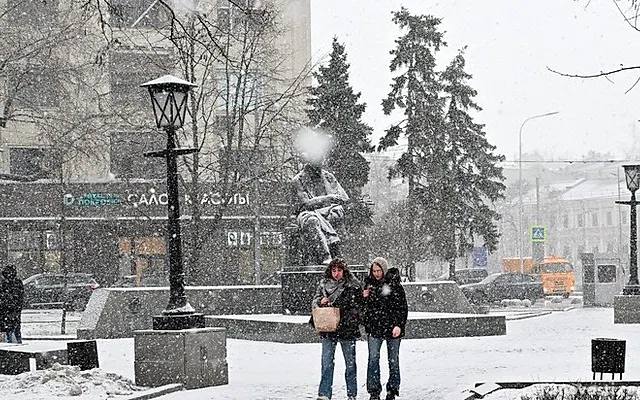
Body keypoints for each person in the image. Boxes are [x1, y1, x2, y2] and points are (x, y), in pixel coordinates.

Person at [311, 258, 363, 400]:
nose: (336, 273)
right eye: (334, 270)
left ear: (344, 270)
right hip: (328, 327)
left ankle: (351, 394)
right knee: (327, 363)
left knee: (350, 364)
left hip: (347, 328)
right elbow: (315, 300)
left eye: (339, 270)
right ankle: (324, 394)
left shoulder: (353, 285)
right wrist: (320, 302)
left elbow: (358, 306)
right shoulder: (324, 284)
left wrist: (348, 313)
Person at [362, 257, 408, 400]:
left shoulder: (394, 285)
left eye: (379, 270)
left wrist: (398, 325)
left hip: (392, 327)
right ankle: (374, 391)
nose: (376, 274)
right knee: (373, 358)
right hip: (375, 328)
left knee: (393, 359)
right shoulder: (368, 285)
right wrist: (364, 297)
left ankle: (393, 389)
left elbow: (402, 307)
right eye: (374, 271)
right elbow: (364, 308)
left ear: (384, 270)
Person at [292, 157, 349, 265]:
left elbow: (344, 198)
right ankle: (326, 255)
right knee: (312, 220)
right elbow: (305, 204)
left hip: (329, 211)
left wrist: (335, 206)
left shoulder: (329, 177)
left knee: (332, 214)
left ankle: (332, 250)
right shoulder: (298, 180)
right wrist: (327, 198)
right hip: (305, 213)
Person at [1, 265, 24, 344]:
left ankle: (9, 347)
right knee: (15, 330)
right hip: (14, 311)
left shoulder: (3, 283)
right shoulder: (17, 282)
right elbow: (20, 297)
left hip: (6, 312)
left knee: (8, 331)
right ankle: (17, 344)